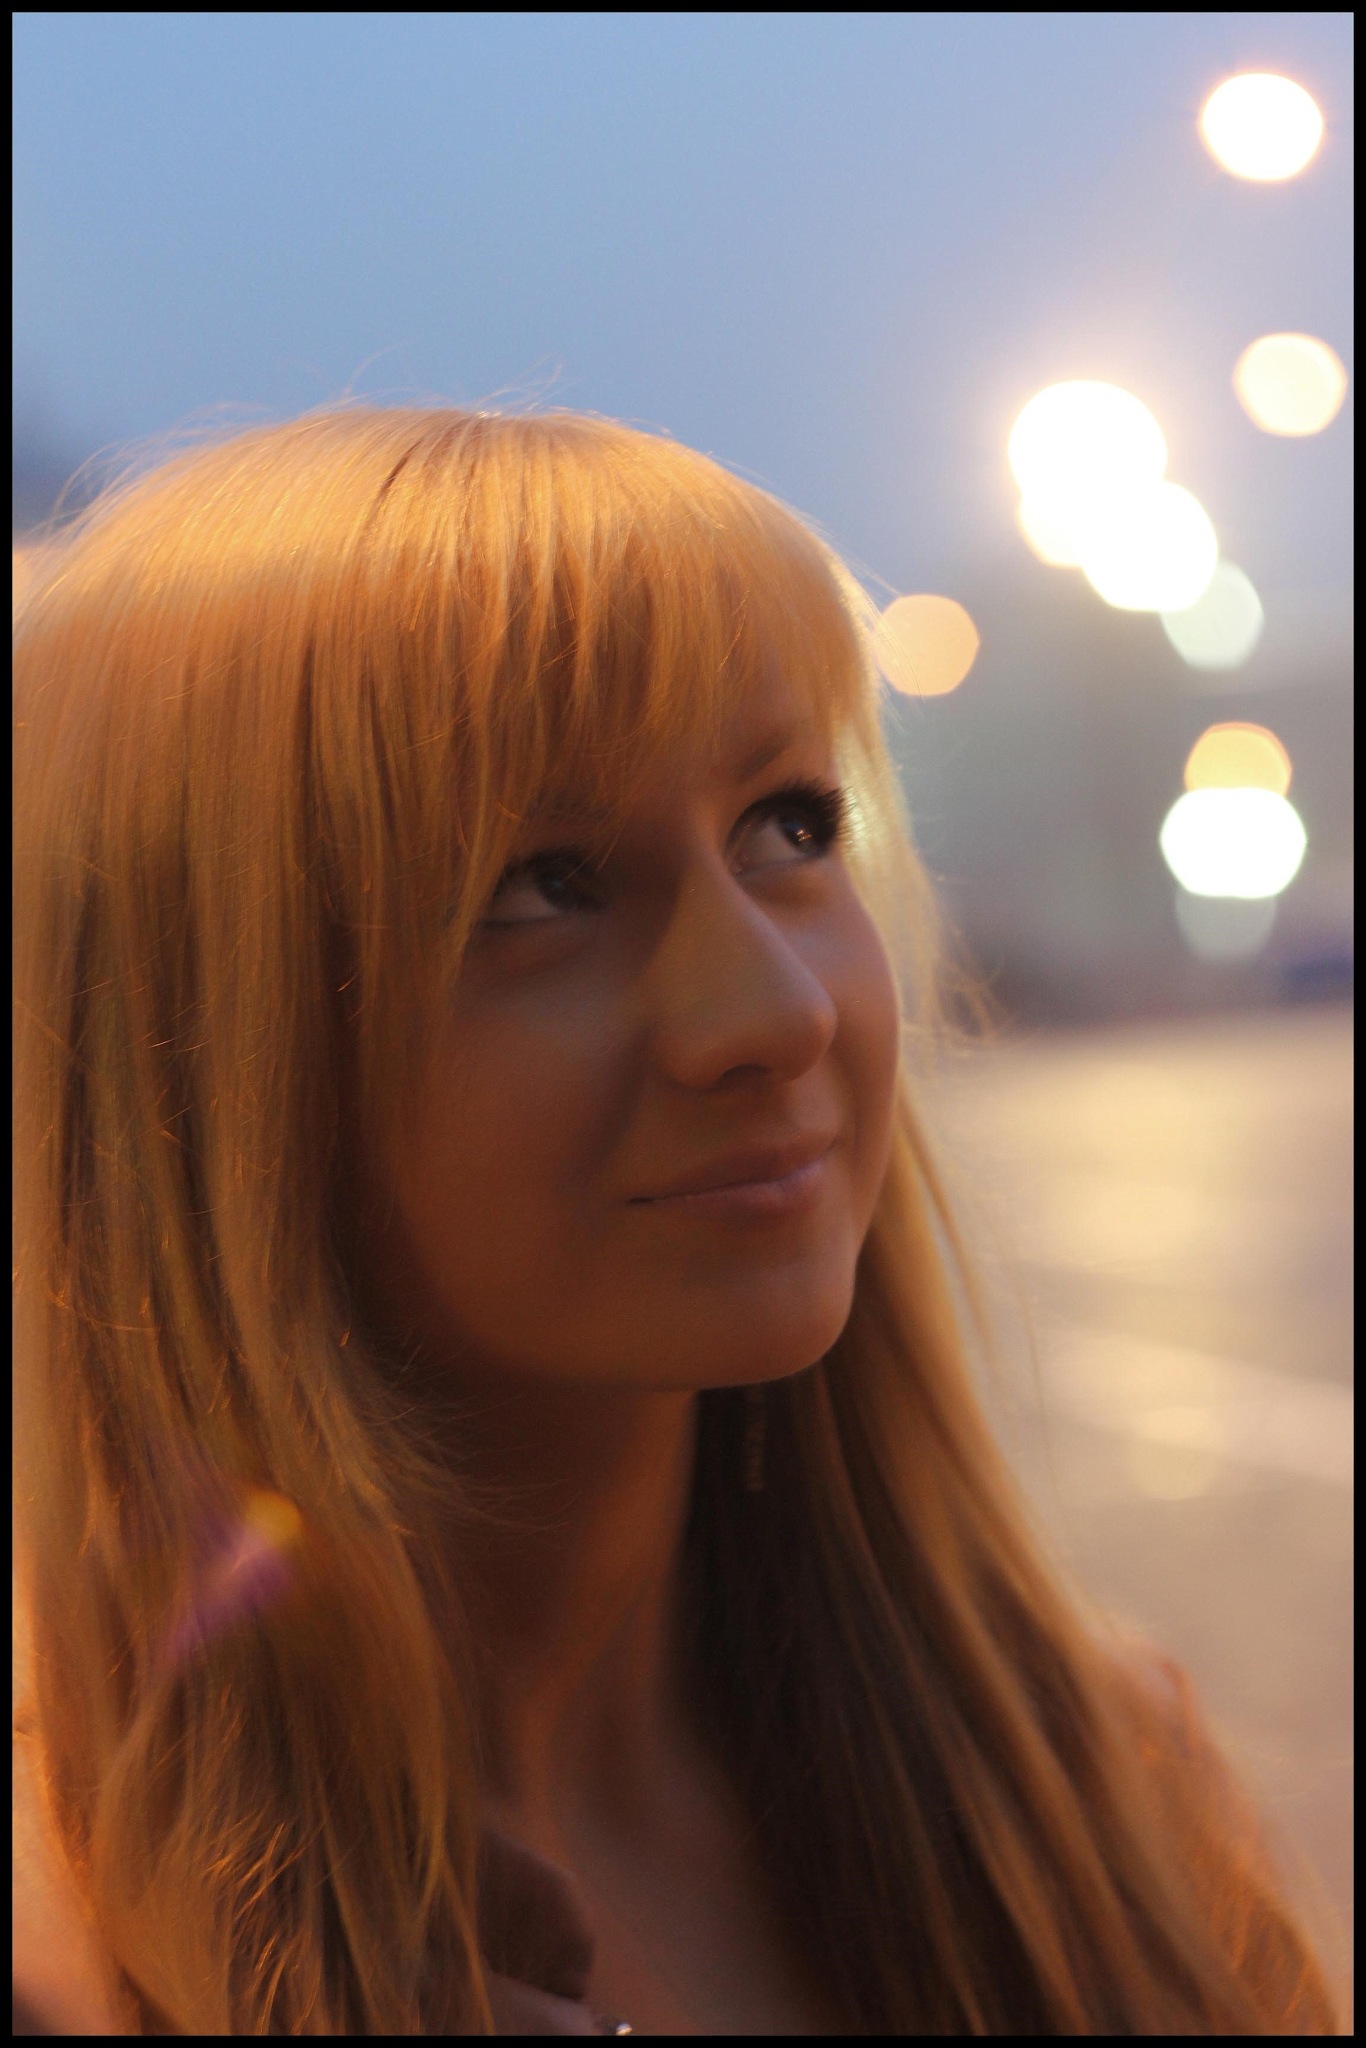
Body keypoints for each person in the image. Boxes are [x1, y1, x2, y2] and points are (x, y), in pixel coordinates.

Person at [12, 406, 1342, 2035]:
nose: (775, 1010)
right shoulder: (62, 1951)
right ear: (192, 1050)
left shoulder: (1102, 1794)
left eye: (789, 824)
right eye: (542, 884)